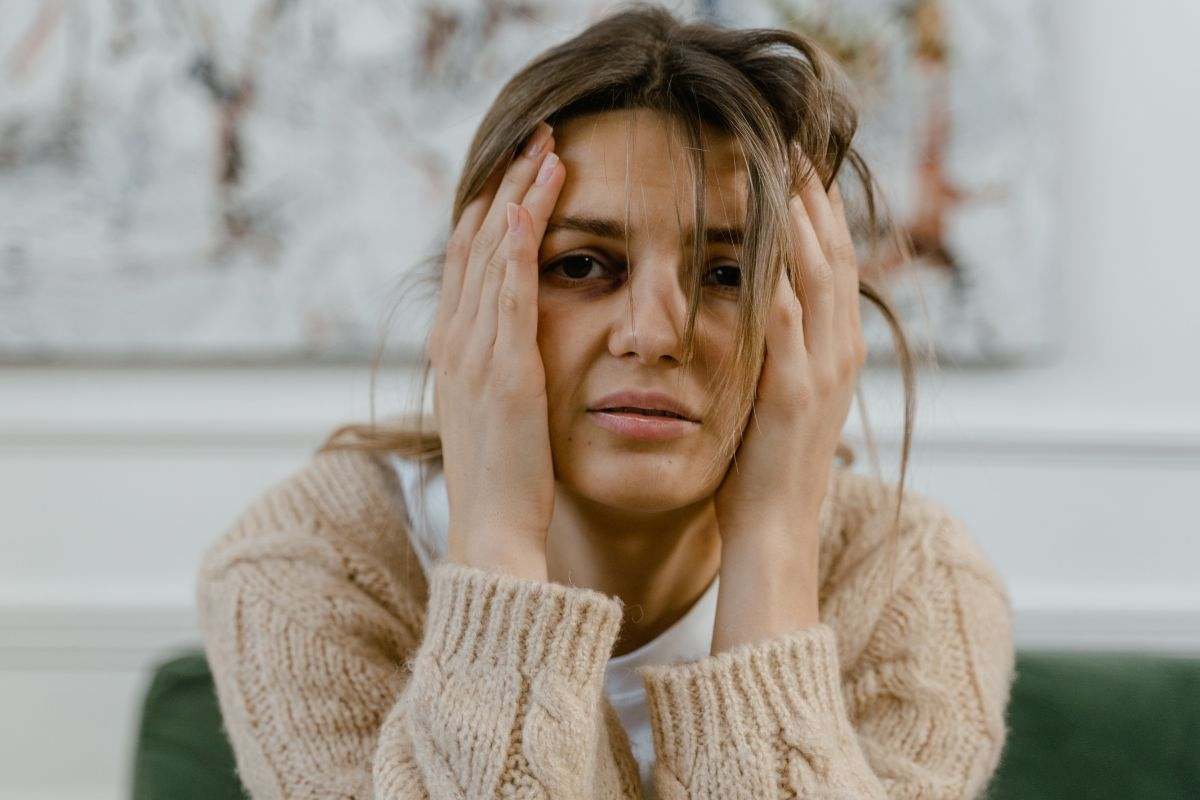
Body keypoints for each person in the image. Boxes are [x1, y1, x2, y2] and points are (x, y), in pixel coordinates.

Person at [196, 4, 1015, 798]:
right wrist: (498, 543)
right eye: (583, 265)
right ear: (480, 292)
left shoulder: (913, 584)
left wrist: (772, 546)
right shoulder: (309, 568)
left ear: (821, 320)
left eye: (727, 275)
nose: (654, 334)